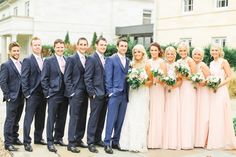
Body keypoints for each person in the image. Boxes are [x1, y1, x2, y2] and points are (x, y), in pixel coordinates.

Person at [120, 44, 152, 152]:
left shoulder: (147, 65)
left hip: (142, 93)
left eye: (139, 52)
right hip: (133, 93)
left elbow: (151, 81)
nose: (137, 54)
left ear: (143, 53)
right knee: (131, 114)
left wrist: (141, 81)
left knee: (141, 115)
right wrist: (133, 81)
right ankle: (128, 142)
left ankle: (139, 143)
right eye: (135, 52)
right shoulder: (131, 64)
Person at [41, 39, 68, 153]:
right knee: (51, 118)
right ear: (54, 48)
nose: (60, 49)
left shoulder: (67, 59)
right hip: (53, 94)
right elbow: (44, 79)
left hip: (65, 94)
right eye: (58, 47)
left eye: (62, 47)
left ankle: (58, 138)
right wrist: (48, 93)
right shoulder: (48, 61)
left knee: (62, 117)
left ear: (64, 48)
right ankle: (50, 141)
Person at [207, 44, 236, 149]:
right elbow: (210, 76)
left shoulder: (224, 62)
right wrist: (211, 84)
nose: (214, 52)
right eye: (212, 50)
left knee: (221, 113)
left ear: (220, 51)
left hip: (221, 90)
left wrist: (218, 85)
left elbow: (229, 77)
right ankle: (215, 140)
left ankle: (224, 140)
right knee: (214, 114)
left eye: (216, 50)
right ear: (210, 52)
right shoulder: (210, 63)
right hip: (212, 91)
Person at [103, 38, 130, 154]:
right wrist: (110, 92)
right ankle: (107, 143)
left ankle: (115, 141)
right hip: (114, 94)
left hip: (124, 94)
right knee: (111, 119)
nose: (123, 48)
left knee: (120, 120)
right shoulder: (111, 59)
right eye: (122, 46)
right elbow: (107, 77)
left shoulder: (128, 60)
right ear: (117, 47)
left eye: (125, 46)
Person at [21, 37, 47, 152]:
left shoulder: (44, 60)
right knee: (28, 119)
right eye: (35, 45)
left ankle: (38, 138)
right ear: (32, 46)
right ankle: (26, 141)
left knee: (40, 118)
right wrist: (27, 94)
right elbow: (24, 78)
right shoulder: (27, 60)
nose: (37, 47)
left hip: (43, 95)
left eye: (39, 45)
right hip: (32, 95)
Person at [64, 37, 89, 153]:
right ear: (77, 46)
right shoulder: (71, 59)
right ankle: (71, 143)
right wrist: (72, 92)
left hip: (85, 93)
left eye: (85, 44)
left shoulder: (88, 59)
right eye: (81, 44)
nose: (83, 46)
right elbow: (67, 77)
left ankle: (79, 139)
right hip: (75, 93)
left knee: (83, 117)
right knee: (74, 117)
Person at [84, 37, 108, 153]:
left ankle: (98, 139)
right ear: (96, 45)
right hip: (96, 94)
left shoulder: (105, 58)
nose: (103, 47)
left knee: (101, 118)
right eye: (101, 45)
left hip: (105, 94)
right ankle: (90, 142)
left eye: (105, 45)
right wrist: (91, 93)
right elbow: (87, 77)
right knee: (94, 118)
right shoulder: (91, 58)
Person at [0, 42, 24, 151]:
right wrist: (8, 96)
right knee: (10, 120)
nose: (16, 52)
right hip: (12, 97)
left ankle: (14, 138)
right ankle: (8, 143)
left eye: (17, 50)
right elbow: (3, 82)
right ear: (10, 52)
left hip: (21, 97)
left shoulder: (21, 64)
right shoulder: (6, 65)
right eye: (14, 51)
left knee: (17, 119)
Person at [177, 42, 196, 149]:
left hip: (188, 88)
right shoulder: (178, 61)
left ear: (187, 51)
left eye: (184, 50)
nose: (183, 52)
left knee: (187, 113)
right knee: (181, 113)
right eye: (181, 51)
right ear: (178, 51)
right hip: (179, 88)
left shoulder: (190, 61)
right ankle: (181, 139)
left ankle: (187, 141)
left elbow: (194, 77)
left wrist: (185, 75)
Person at [147, 42, 166, 149]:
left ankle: (156, 141)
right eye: (152, 50)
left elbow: (164, 80)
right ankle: (148, 138)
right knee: (149, 112)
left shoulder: (162, 62)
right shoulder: (148, 62)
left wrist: (158, 78)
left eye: (155, 50)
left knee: (157, 113)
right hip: (149, 89)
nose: (153, 52)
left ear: (159, 51)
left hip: (158, 90)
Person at [162, 46, 181, 150]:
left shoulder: (177, 65)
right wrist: (166, 84)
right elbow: (161, 78)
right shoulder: (163, 65)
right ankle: (165, 139)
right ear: (165, 55)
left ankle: (173, 141)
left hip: (174, 91)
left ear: (175, 55)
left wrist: (172, 86)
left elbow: (180, 81)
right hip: (165, 91)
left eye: (172, 54)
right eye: (168, 54)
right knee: (165, 114)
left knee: (173, 114)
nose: (170, 55)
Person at [192, 48, 210, 148]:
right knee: (196, 116)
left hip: (203, 92)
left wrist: (202, 82)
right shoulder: (192, 65)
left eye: (199, 54)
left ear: (202, 56)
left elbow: (209, 78)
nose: (197, 56)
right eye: (195, 54)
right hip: (195, 92)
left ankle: (203, 140)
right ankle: (196, 139)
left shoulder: (203, 65)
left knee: (203, 116)